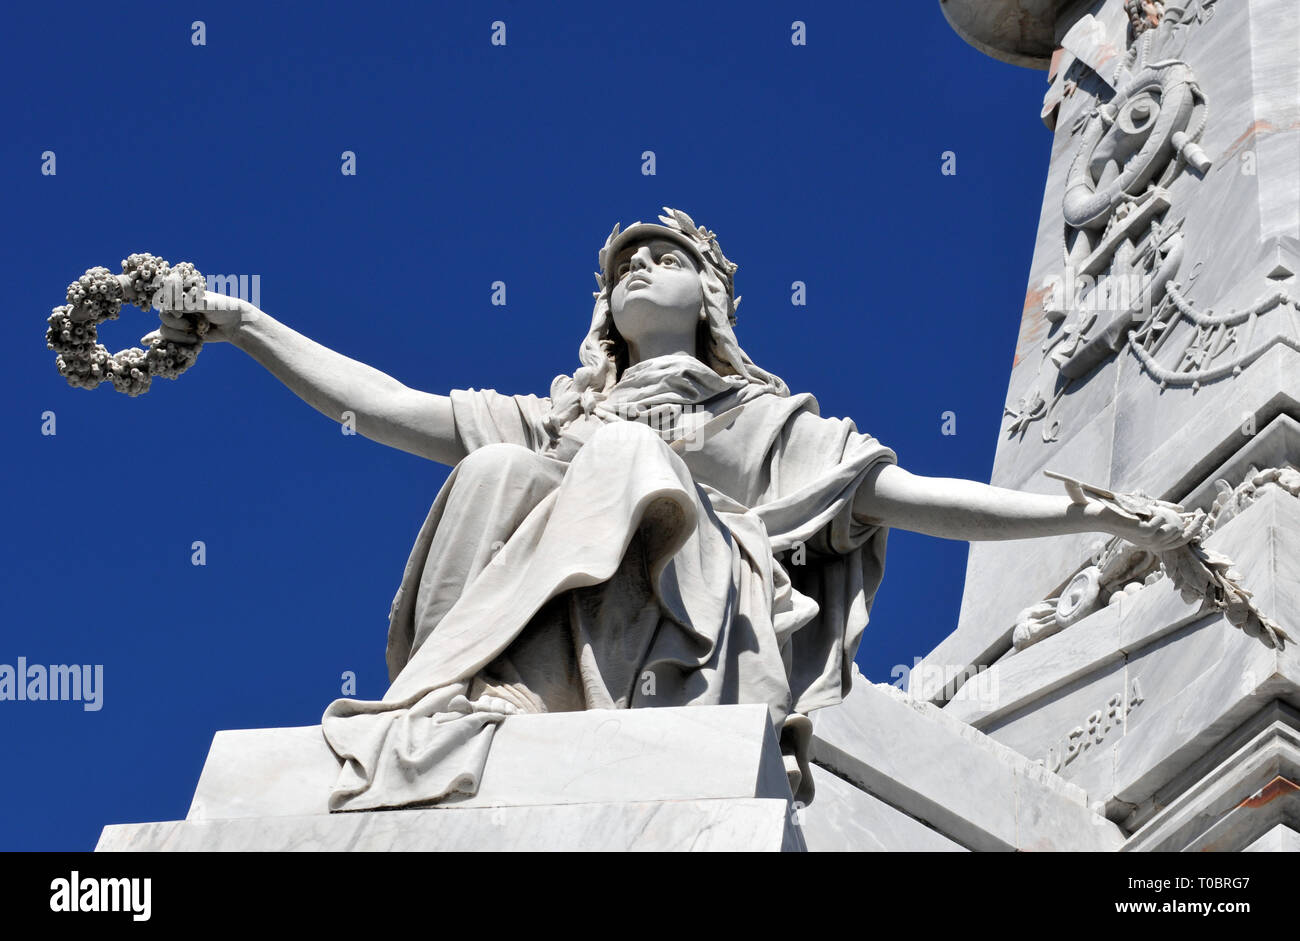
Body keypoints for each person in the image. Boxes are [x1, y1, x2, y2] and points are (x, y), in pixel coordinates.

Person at [151, 208, 1189, 809]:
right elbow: (382, 408)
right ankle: (464, 699)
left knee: (624, 453)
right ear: (603, 311)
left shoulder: (765, 421)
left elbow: (919, 499)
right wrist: (248, 325)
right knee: (499, 474)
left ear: (712, 298)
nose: (640, 269)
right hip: (542, 602)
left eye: (666, 259)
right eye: (623, 268)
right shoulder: (551, 417)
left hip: (699, 630)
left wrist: (1095, 517)